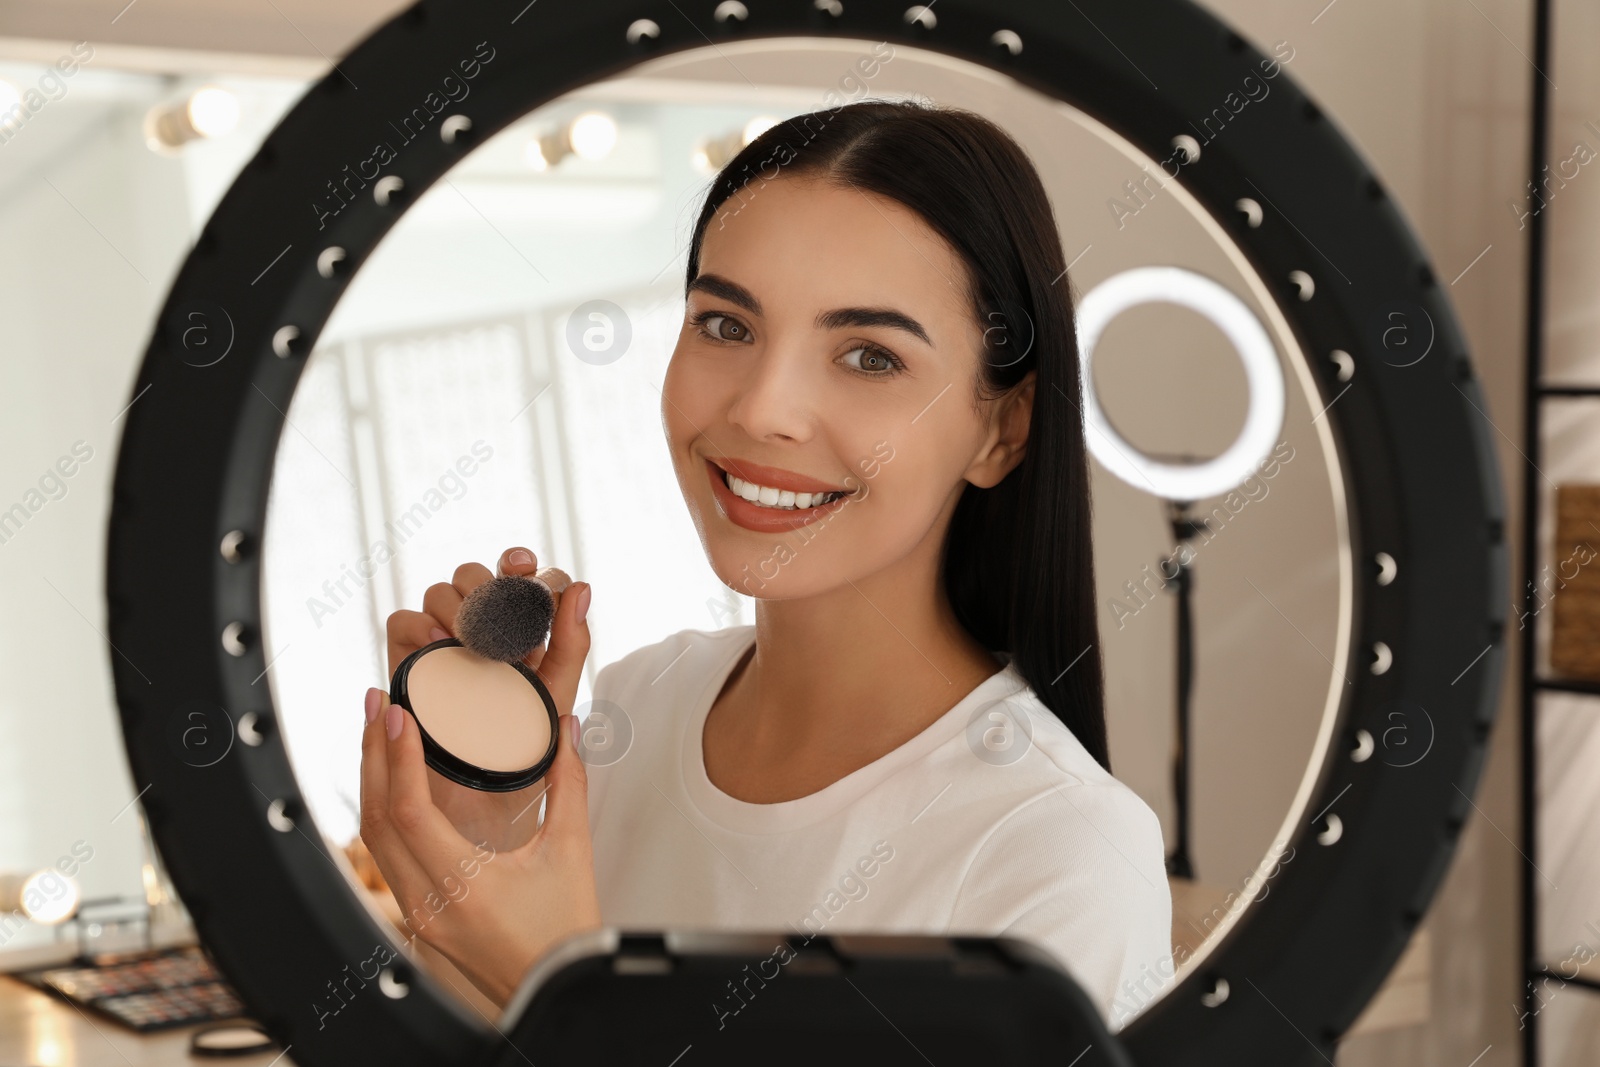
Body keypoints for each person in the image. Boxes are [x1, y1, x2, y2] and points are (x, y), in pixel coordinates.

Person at [358, 98, 1172, 1029]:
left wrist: (563, 984)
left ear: (1003, 428)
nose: (762, 410)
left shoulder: (1060, 853)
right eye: (727, 326)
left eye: (869, 355)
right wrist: (477, 842)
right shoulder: (639, 704)